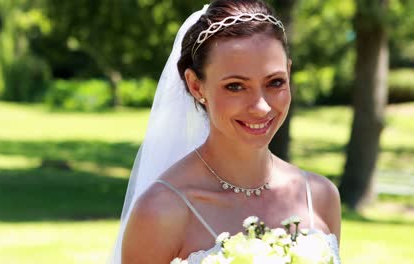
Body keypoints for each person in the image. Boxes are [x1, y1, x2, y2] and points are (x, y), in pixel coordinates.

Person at [110, 0, 341, 263]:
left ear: (288, 72)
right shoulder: (162, 210)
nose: (261, 107)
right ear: (196, 86)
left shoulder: (320, 196)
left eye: (275, 82)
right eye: (235, 86)